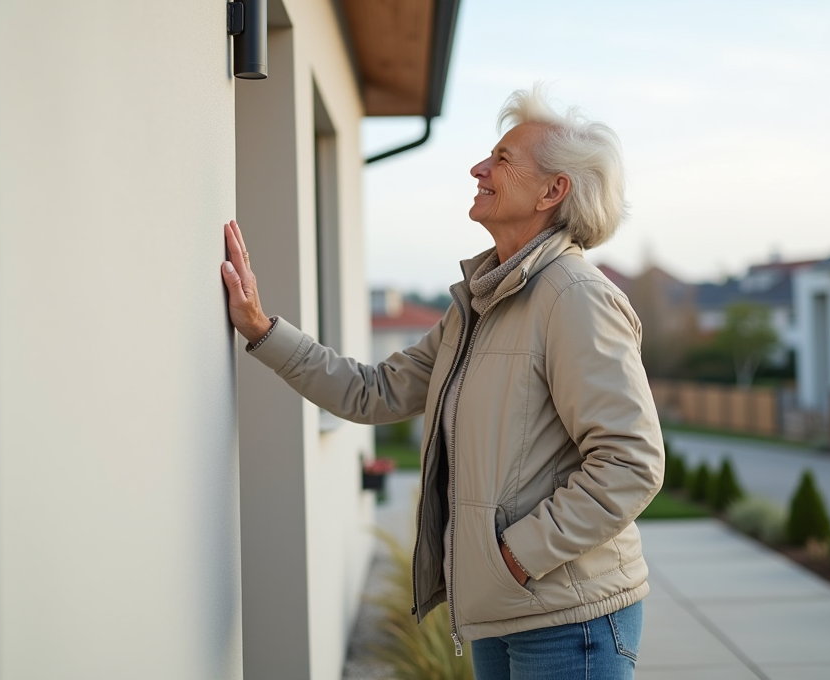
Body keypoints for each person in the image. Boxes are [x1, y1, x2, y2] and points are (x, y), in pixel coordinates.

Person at [220, 85, 664, 680]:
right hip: (503, 609)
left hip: (568, 622)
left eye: (502, 159)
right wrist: (260, 328)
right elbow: (373, 391)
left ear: (552, 191)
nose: (479, 168)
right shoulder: (480, 305)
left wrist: (514, 557)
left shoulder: (576, 297)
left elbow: (631, 463)